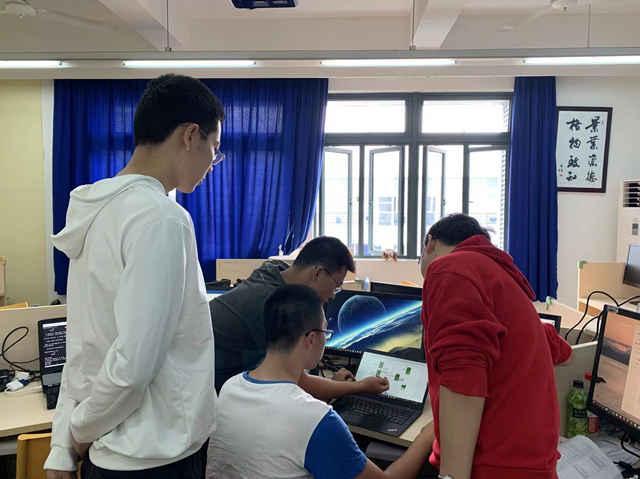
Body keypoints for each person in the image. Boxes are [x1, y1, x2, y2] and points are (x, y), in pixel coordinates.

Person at [44, 74, 225, 479]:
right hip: (152, 456)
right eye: (214, 149)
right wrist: (77, 432)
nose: (212, 164)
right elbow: (134, 365)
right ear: (190, 135)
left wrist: (62, 444)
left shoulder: (98, 211)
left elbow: (84, 346)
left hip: (109, 452)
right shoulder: (162, 217)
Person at [207, 284, 434, 479]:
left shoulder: (230, 387)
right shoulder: (316, 419)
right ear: (312, 338)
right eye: (326, 333)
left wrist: (351, 387)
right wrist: (424, 439)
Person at [418, 214, 572, 479]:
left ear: (429, 243)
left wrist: (451, 477)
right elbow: (561, 351)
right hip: (528, 465)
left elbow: (463, 376)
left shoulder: (450, 269)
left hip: (491, 466)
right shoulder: (502, 279)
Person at [211, 236, 388, 398]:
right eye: (336, 285)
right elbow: (298, 383)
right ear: (317, 273)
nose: (333, 296)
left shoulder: (275, 272)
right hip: (217, 395)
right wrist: (358, 386)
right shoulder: (271, 304)